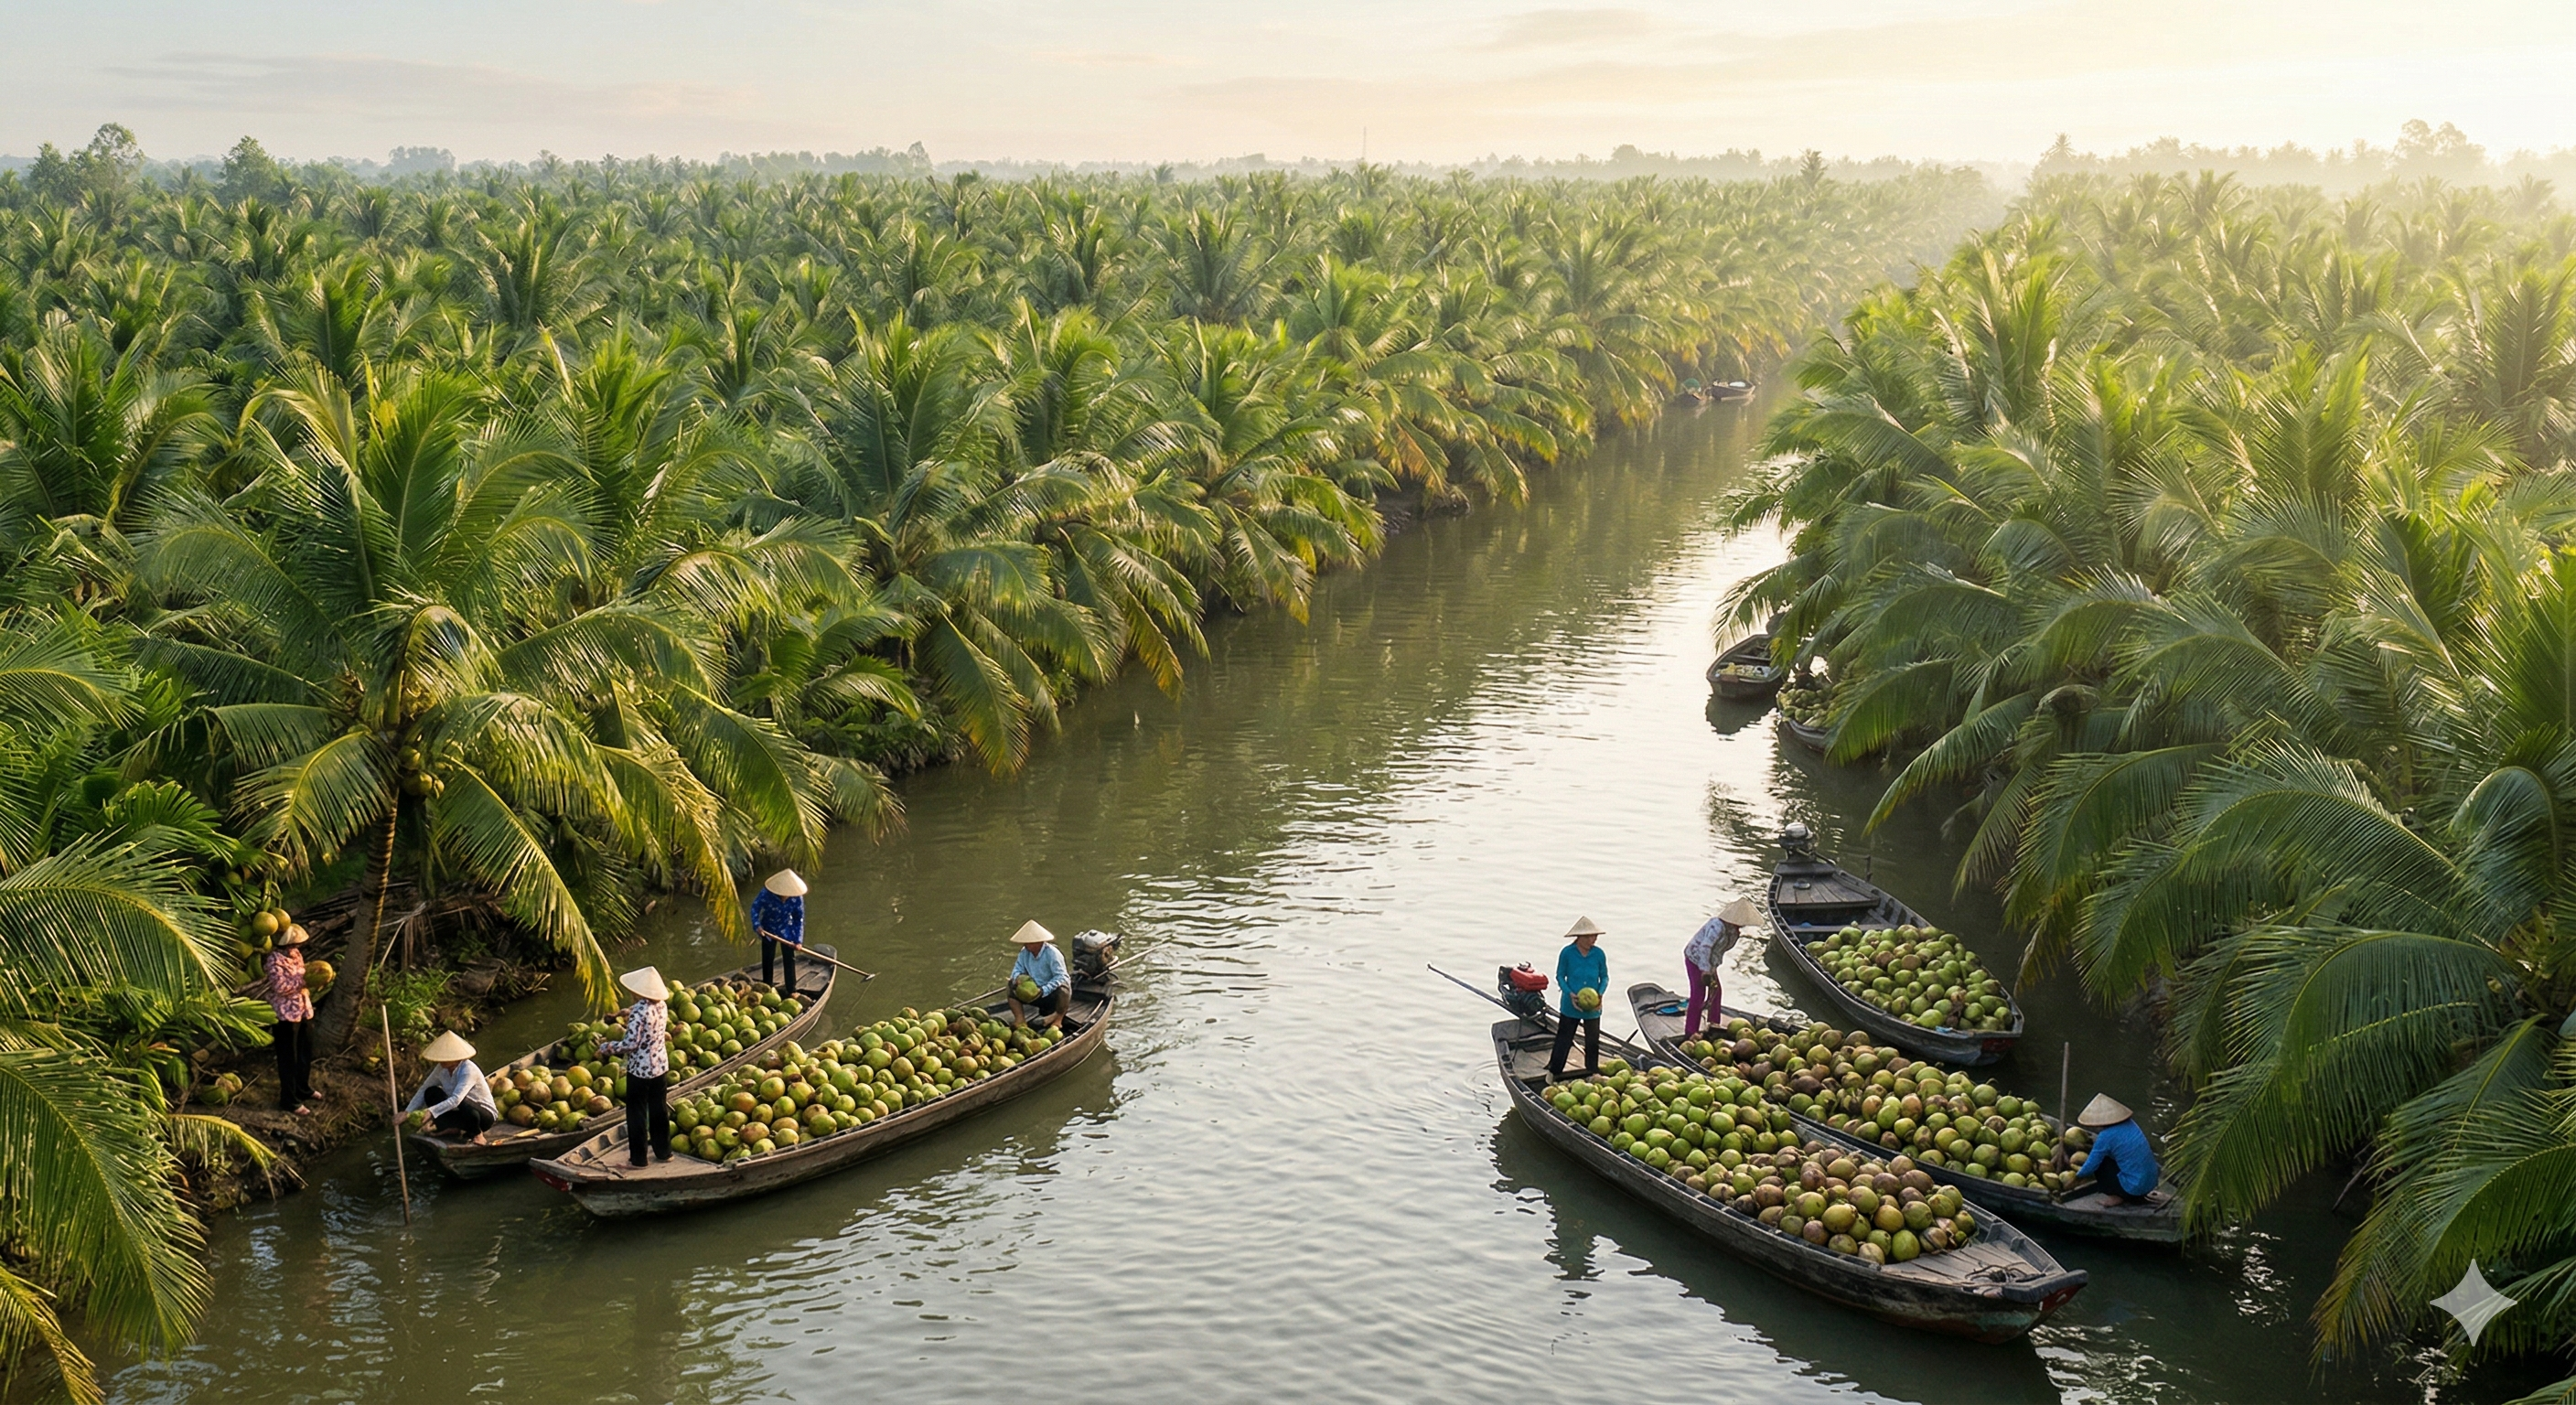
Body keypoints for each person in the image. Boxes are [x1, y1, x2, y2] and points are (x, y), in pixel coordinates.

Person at [598, 966, 673, 1167]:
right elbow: (648, 1018)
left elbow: (631, 1044)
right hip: (660, 1066)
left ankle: (639, 1159)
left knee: (636, 1112)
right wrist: (627, 1013)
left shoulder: (640, 1011)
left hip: (640, 1070)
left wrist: (607, 1047)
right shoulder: (662, 1006)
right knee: (659, 1110)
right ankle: (664, 1152)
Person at [1683, 897, 1759, 1038]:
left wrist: (1712, 969)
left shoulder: (1733, 932)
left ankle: (1714, 1024)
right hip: (1696, 958)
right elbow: (1705, 947)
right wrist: (1704, 970)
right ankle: (1691, 1031)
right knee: (1698, 994)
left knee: (1715, 991)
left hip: (1710, 962)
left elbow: (1719, 951)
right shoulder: (1716, 925)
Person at [262, 923, 317, 1114]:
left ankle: (303, 1089)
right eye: (294, 944)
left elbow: (304, 973)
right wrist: (304, 980)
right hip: (285, 1014)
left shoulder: (296, 955)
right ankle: (290, 1100)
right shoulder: (273, 961)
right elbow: (280, 987)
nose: (297, 947)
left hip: (303, 1009)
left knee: (304, 1052)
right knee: (288, 1058)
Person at [403, 1031, 498, 1141]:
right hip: (461, 1113)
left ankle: (477, 1133)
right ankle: (452, 1127)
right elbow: (425, 1087)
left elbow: (456, 1100)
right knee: (431, 1092)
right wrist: (407, 1112)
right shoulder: (441, 1068)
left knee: (461, 1100)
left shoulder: (468, 1070)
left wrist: (431, 1111)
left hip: (482, 1117)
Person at [1547, 917, 1609, 1081]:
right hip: (1571, 1003)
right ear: (1579, 938)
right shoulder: (1567, 953)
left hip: (1594, 1003)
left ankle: (1592, 1072)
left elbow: (1604, 977)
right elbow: (1560, 976)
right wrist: (1570, 993)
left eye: (1594, 937)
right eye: (1589, 937)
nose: (1593, 940)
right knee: (1564, 1038)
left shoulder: (1598, 954)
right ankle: (1554, 1071)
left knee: (1592, 1041)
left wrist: (1600, 993)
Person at [2076, 1094, 2163, 1205]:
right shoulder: (2131, 1123)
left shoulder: (2106, 1136)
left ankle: (2116, 1196)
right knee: (2111, 1156)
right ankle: (2128, 1190)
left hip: (2134, 1188)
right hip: (2151, 1182)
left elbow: (2091, 1165)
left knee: (2101, 1164)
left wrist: (2076, 1175)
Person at [1006, 920, 1072, 1032]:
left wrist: (1043, 990)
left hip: (1051, 994)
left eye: (1029, 942)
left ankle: (1058, 1019)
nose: (1025, 945)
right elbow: (1017, 969)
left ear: (1039, 942)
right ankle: (1020, 1020)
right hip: (1034, 992)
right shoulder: (1024, 952)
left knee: (1064, 988)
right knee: (1010, 986)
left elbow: (1061, 976)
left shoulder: (1052, 954)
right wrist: (1017, 978)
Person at [751, 869, 807, 996]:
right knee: (767, 958)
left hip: (787, 928)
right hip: (768, 928)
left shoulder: (797, 898)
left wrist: (798, 940)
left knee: (789, 959)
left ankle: (791, 989)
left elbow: (799, 919)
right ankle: (767, 987)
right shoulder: (766, 894)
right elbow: (755, 908)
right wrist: (757, 926)